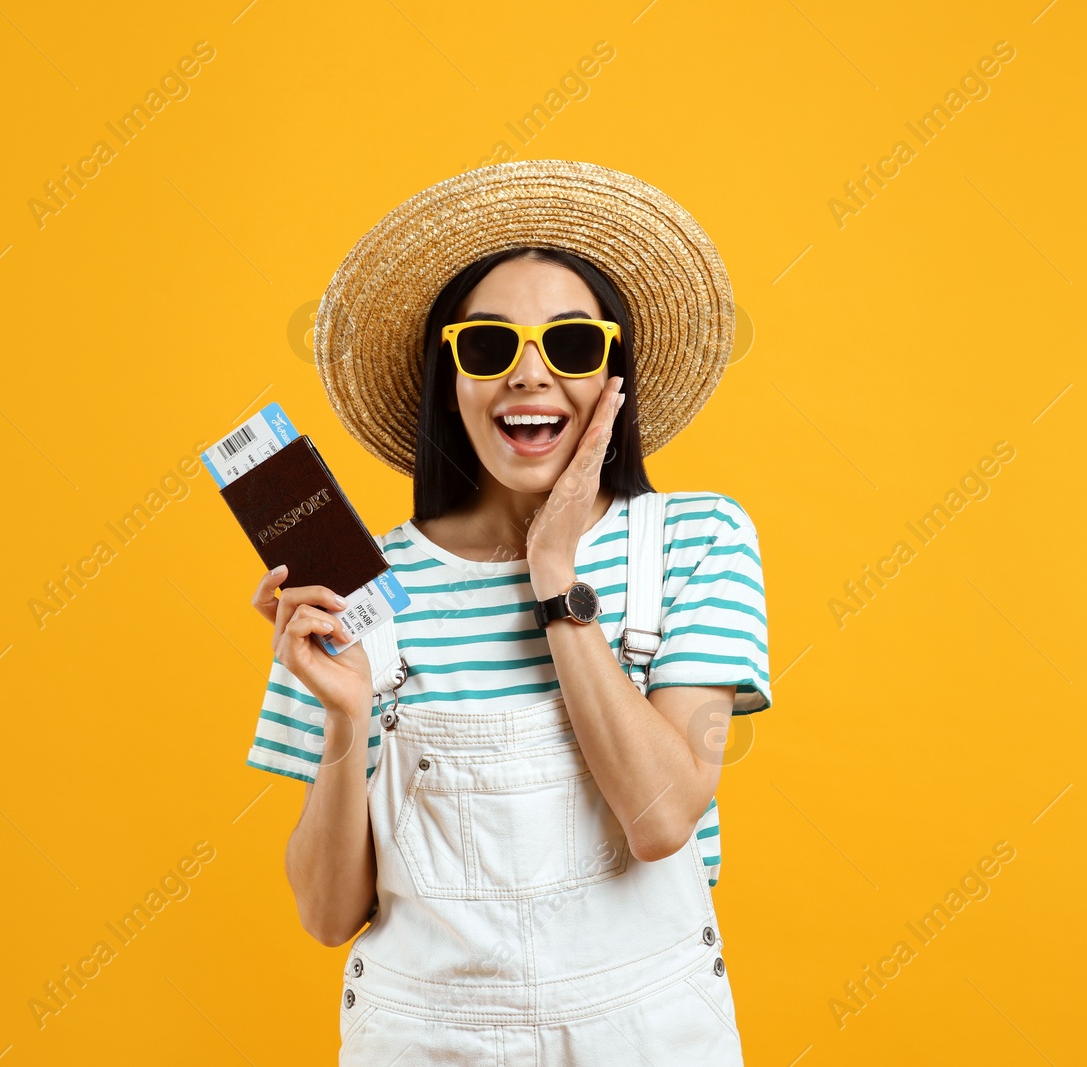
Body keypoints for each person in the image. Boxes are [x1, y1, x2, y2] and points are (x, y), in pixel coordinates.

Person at [247, 159, 770, 1065]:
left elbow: (660, 818)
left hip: (647, 1033)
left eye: (570, 347)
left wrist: (553, 568)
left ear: (615, 377)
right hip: (423, 1039)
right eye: (488, 348)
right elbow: (329, 914)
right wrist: (345, 713)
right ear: (450, 380)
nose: (529, 376)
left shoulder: (693, 539)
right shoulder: (361, 586)